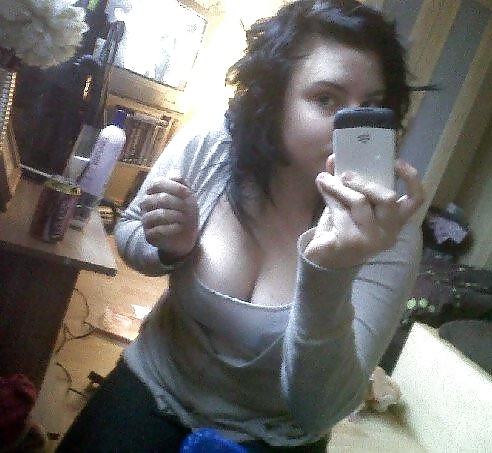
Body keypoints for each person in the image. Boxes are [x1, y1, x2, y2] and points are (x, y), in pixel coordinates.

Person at [57, 0, 423, 451]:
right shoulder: (212, 147)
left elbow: (320, 410)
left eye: (370, 107)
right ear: (275, 98)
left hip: (273, 439)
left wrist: (332, 272)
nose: (351, 128)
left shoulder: (390, 234)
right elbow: (129, 229)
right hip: (156, 385)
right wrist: (170, 249)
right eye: (326, 99)